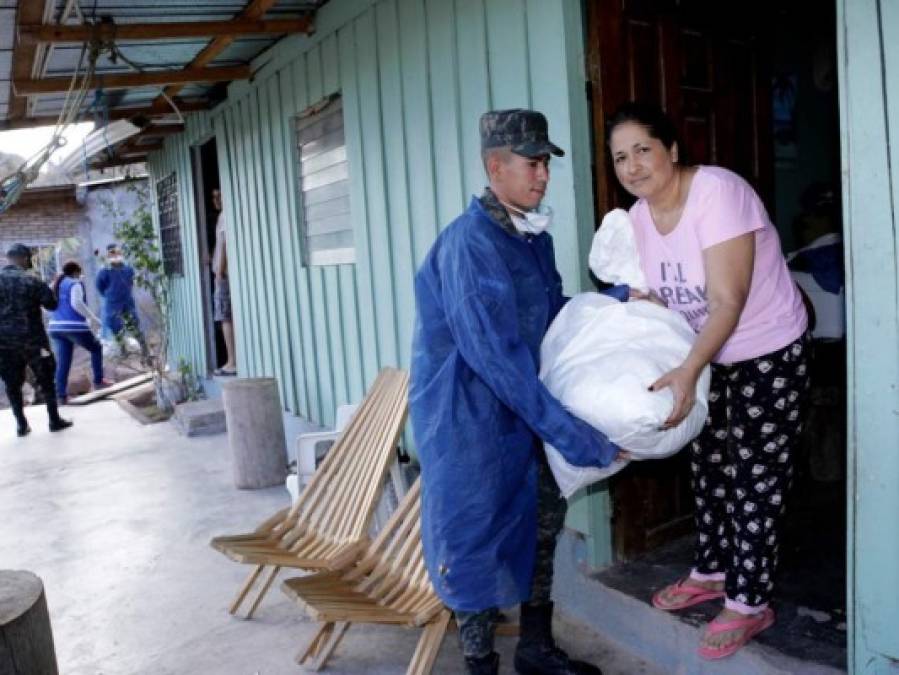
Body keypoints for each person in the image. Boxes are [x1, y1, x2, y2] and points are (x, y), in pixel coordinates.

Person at [410, 109, 627, 675]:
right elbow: (493, 358)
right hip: (470, 422)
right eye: (532, 164)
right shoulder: (469, 244)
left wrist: (618, 300)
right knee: (475, 539)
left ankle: (535, 648)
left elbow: (552, 318)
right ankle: (480, 664)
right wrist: (575, 437)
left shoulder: (534, 238)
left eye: (545, 164)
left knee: (539, 525)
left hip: (524, 409)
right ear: (494, 166)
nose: (542, 175)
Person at [605, 101, 809, 659]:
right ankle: (713, 572)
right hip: (710, 356)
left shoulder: (718, 193)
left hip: (767, 348)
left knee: (754, 478)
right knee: (710, 468)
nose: (632, 166)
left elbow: (727, 300)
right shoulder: (641, 217)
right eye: (620, 157)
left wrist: (689, 370)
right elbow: (667, 297)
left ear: (672, 150)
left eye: (642, 150)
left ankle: (750, 601)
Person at [0, 243, 73, 437]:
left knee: (12, 384)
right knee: (46, 379)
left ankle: (21, 425)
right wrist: (55, 286)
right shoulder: (31, 281)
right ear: (24, 258)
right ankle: (54, 420)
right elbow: (51, 305)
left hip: (4, 344)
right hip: (34, 341)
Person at [48, 261, 111, 404]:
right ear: (75, 272)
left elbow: (47, 307)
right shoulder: (74, 284)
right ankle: (98, 381)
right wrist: (93, 318)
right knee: (96, 348)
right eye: (79, 273)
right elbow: (77, 303)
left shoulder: (54, 285)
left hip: (55, 328)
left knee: (63, 361)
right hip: (74, 326)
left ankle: (61, 395)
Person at [210, 189, 237, 375]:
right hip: (221, 273)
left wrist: (219, 270)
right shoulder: (222, 216)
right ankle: (231, 360)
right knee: (224, 317)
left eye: (220, 195)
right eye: (214, 197)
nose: (216, 200)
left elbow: (225, 243)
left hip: (224, 275)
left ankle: (232, 361)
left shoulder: (226, 216)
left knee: (225, 317)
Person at [96, 243, 142, 342]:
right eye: (112, 253)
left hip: (127, 301)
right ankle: (122, 349)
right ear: (108, 255)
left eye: (117, 252)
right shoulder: (104, 271)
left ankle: (143, 347)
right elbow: (100, 287)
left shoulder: (128, 269)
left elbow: (132, 282)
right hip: (113, 303)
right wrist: (110, 295)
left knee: (133, 322)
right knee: (114, 324)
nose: (115, 255)